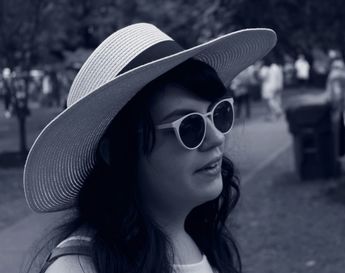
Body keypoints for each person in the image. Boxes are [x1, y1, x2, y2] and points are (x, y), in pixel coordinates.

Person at [23, 23, 276, 273]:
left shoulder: (199, 237)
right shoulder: (78, 268)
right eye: (189, 127)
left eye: (218, 114)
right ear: (116, 152)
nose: (217, 137)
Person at [325, 59, 345, 156]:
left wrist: (330, 99)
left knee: (338, 117)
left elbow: (332, 89)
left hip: (336, 99)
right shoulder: (344, 75)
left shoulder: (333, 75)